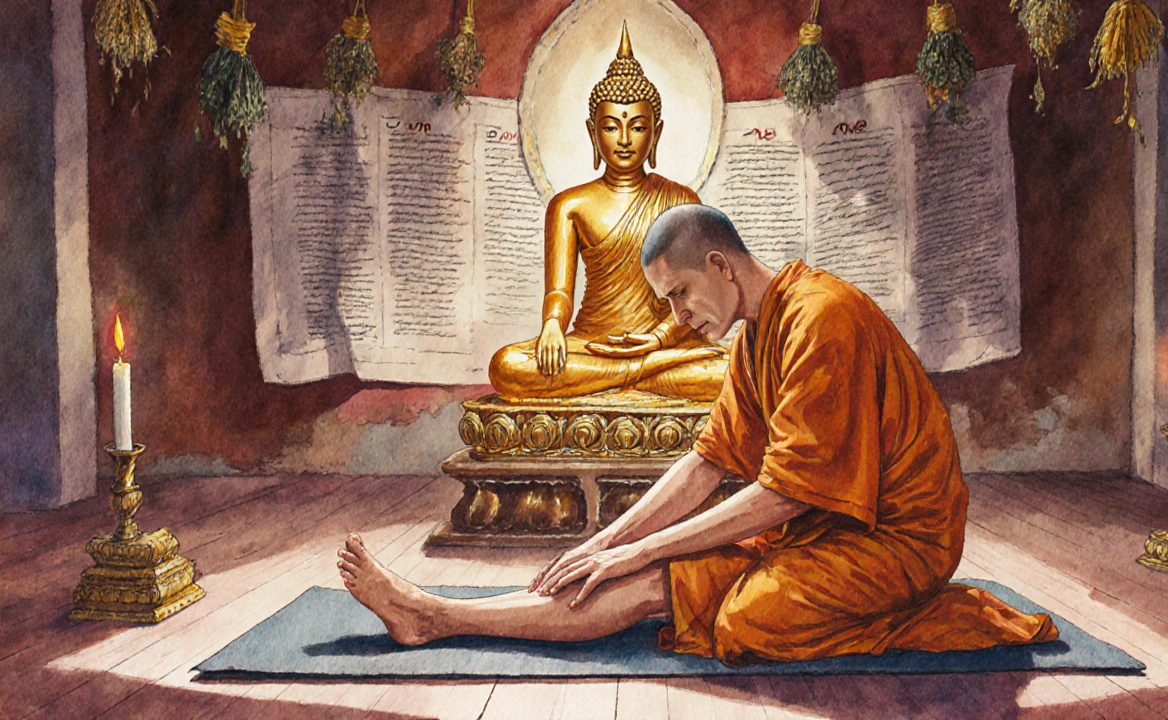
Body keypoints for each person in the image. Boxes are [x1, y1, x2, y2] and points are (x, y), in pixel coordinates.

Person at [338, 204, 1057, 662]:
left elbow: (779, 494)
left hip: (899, 541)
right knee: (652, 579)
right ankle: (432, 615)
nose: (676, 318)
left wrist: (640, 548)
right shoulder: (751, 337)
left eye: (679, 294)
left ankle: (932, 610)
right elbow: (708, 461)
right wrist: (603, 544)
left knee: (745, 618)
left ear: (720, 264)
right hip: (824, 530)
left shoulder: (823, 317)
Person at [486, 24, 726, 401]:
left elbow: (695, 296)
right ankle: (639, 375)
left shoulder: (681, 200)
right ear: (593, 132)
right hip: (591, 345)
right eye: (612, 127)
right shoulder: (569, 206)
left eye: (638, 126)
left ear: (656, 133)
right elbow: (560, 293)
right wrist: (551, 325)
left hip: (662, 344)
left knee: (732, 370)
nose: (625, 140)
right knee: (507, 365)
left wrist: (656, 341)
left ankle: (626, 374)